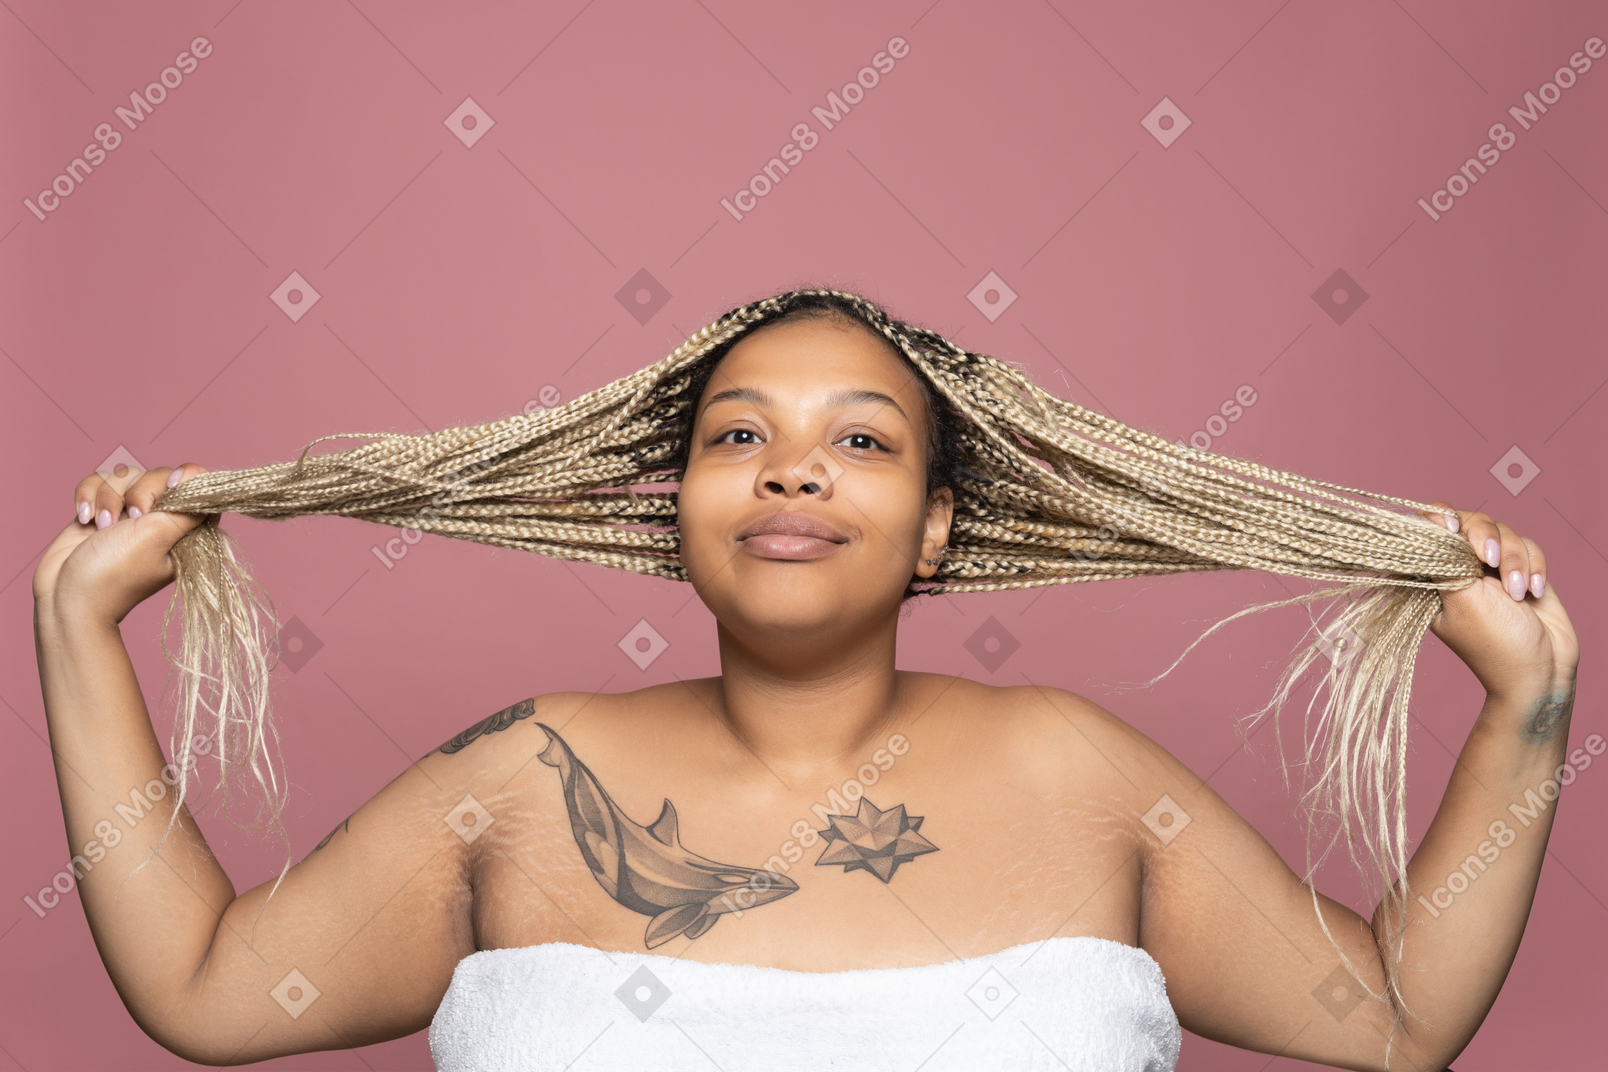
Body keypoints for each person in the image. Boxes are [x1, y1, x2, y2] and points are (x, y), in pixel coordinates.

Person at [33, 289, 1578, 1070]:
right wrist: (78, 633)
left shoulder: (1077, 772)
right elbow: (207, 991)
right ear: (675, 515)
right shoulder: (516, 771)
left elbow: (1390, 1020)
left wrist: (1524, 714)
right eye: (736, 435)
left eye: (860, 439)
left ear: (938, 529)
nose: (790, 472)